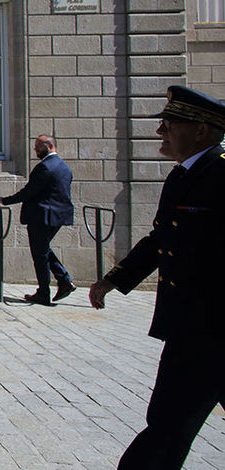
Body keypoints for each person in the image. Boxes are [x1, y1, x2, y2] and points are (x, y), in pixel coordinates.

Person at [89, 85, 225, 470]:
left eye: (169, 124)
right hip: (193, 327)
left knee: (167, 426)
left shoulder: (221, 173)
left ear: (200, 130)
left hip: (210, 330)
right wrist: (113, 279)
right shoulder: (183, 177)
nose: (159, 132)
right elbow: (161, 239)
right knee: (168, 423)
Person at [0, 135, 75, 305]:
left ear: (50, 145)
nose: (35, 150)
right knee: (43, 249)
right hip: (57, 216)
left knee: (40, 254)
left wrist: (6, 200)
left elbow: (29, 191)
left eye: (38, 146)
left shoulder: (45, 167)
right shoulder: (64, 167)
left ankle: (44, 292)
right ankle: (64, 280)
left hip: (42, 217)